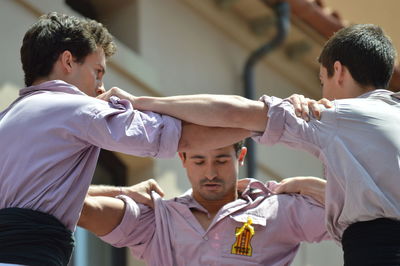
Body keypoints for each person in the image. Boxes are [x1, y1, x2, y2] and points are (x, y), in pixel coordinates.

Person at [100, 24, 400, 265]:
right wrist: (316, 187)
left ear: (340, 71)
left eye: (323, 80)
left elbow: (233, 112)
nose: (323, 93)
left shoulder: (336, 116)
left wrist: (142, 102)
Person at [0, 12, 251, 266]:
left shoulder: (7, 119)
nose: (101, 86)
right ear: (67, 61)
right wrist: (263, 121)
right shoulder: (76, 108)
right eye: (97, 72)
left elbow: (42, 194)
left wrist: (122, 192)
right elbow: (181, 136)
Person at [79, 141, 330, 266]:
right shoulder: (157, 221)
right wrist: (122, 190)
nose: (210, 173)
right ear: (183, 159)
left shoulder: (280, 209)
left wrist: (309, 185)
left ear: (240, 157)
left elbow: (362, 212)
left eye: (221, 160)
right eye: (199, 162)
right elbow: (75, 207)